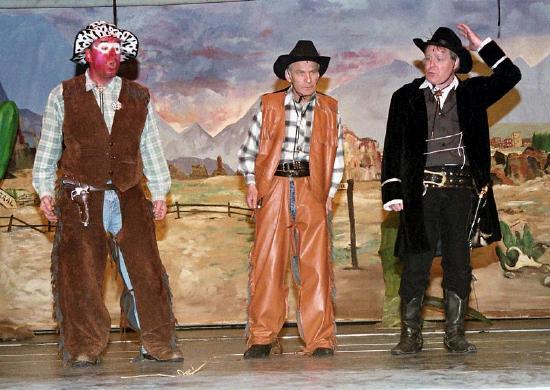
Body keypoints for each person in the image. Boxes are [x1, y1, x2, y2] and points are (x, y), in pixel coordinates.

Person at [32, 21, 183, 367]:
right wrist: (44, 191)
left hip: (129, 193)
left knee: (145, 271)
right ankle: (85, 346)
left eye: (117, 49)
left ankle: (157, 342)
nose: (112, 55)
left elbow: (152, 147)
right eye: (104, 48)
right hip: (81, 196)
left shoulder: (137, 96)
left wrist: (159, 191)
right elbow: (49, 148)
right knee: (81, 272)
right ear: (87, 55)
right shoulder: (63, 95)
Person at [381, 23, 521, 355]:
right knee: (416, 263)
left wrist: (482, 45)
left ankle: (454, 334)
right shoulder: (405, 97)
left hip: (462, 192)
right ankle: (410, 335)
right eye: (428, 57)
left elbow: (511, 75)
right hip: (421, 192)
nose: (431, 63)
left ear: (455, 62)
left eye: (439, 57)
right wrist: (393, 192)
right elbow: (393, 146)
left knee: (459, 263)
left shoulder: (473, 93)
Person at [237, 40, 344, 358]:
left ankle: (320, 338)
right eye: (301, 72)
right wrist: (252, 182)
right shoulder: (269, 105)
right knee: (268, 263)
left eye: (313, 72)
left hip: (313, 186)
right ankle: (262, 336)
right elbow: (249, 149)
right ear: (289, 74)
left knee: (316, 266)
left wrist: (331, 192)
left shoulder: (330, 108)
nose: (308, 78)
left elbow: (337, 154)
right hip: (275, 186)